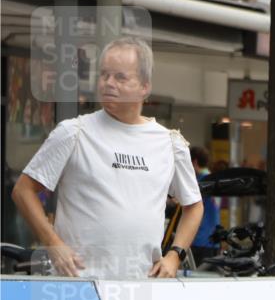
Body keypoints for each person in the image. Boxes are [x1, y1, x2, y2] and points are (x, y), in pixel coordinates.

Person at [11, 37, 203, 279]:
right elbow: (23, 190)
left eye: (120, 77)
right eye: (104, 75)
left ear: (145, 86)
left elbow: (194, 206)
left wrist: (175, 255)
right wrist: (52, 242)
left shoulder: (170, 143)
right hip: (77, 284)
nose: (108, 83)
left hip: (141, 289)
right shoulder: (73, 132)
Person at [188, 146, 221, 265]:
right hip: (214, 239)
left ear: (194, 162)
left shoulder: (200, 182)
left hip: (200, 239)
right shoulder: (214, 180)